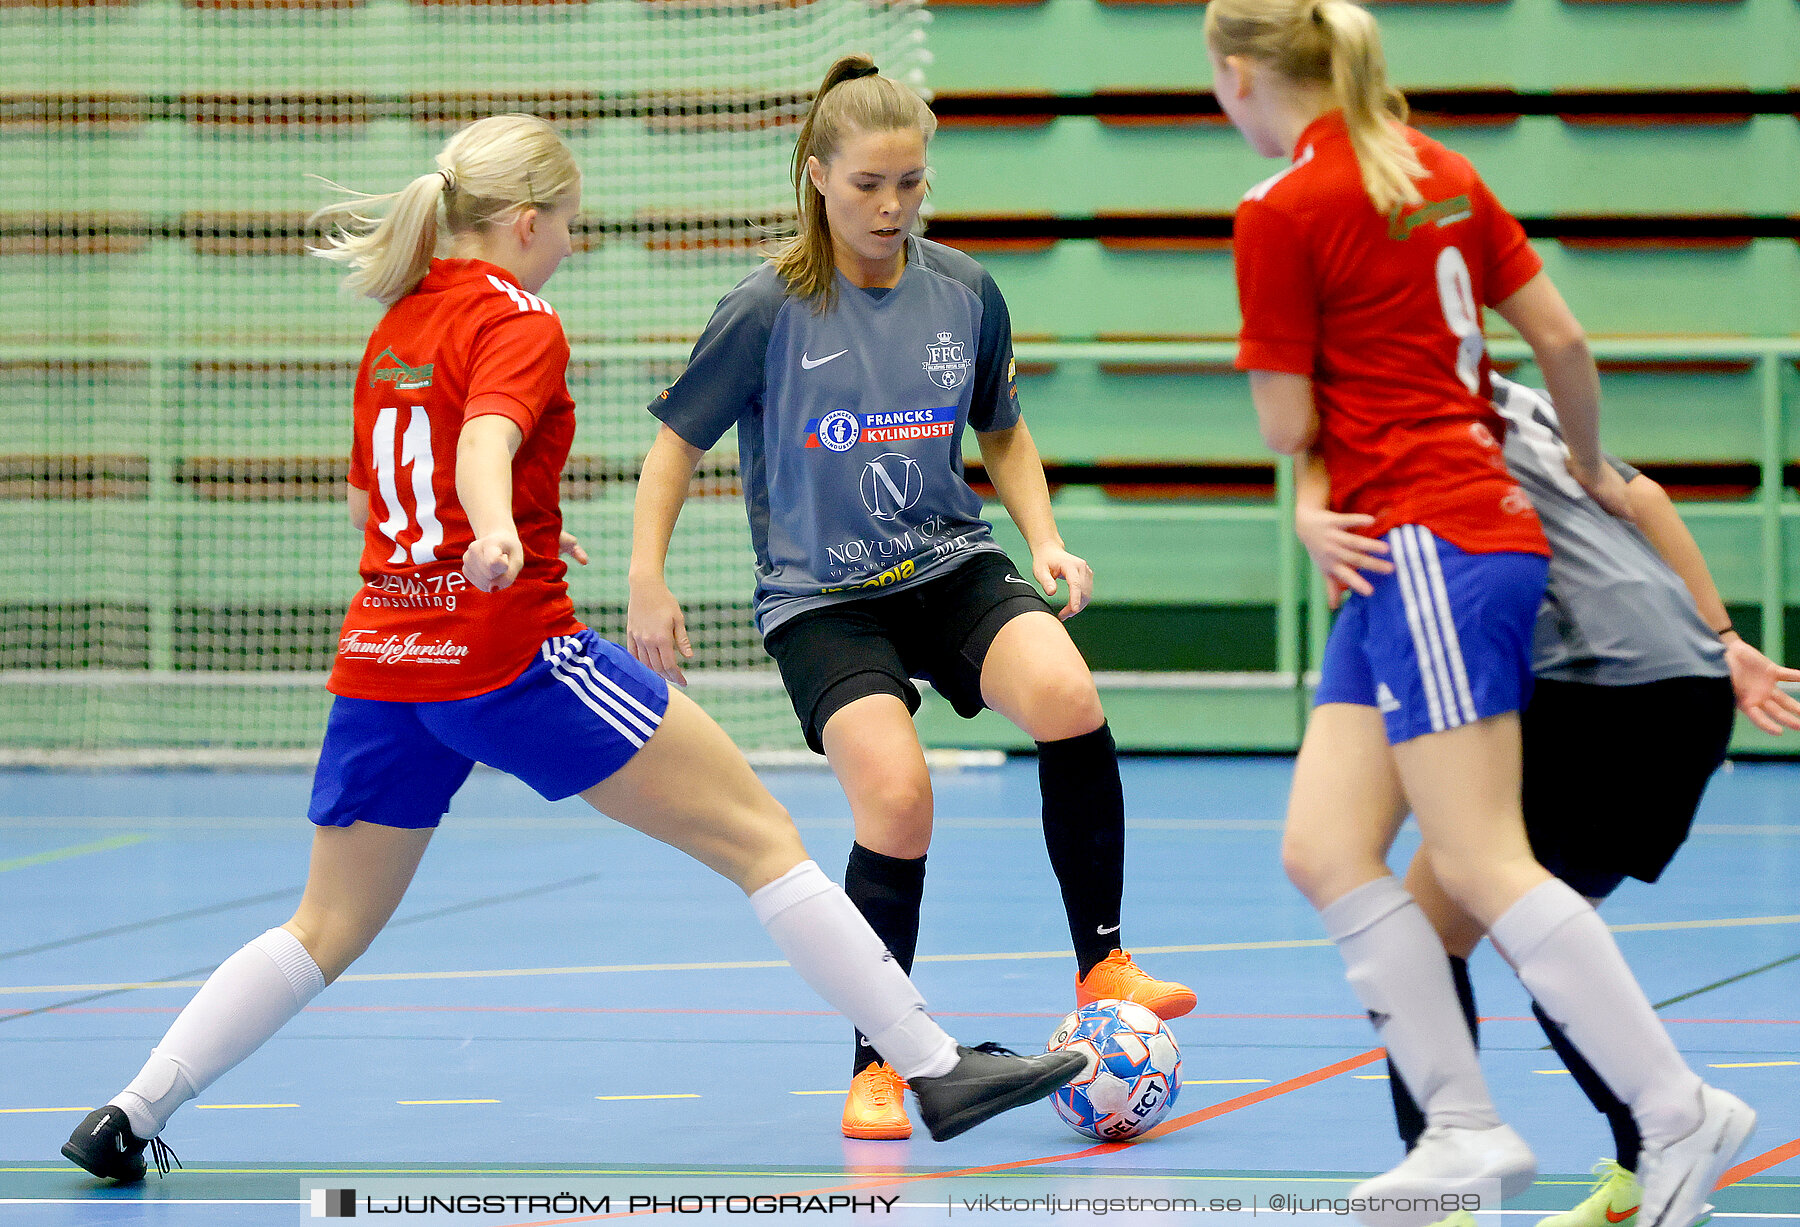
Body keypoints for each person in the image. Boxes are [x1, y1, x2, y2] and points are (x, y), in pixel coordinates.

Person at [59, 113, 1085, 1185]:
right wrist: (501, 529)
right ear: (527, 222)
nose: (571, 246)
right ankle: (931, 1066)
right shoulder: (520, 318)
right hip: (507, 655)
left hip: (384, 658)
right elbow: (483, 438)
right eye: (571, 226)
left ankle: (132, 1109)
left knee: (325, 923)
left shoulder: (397, 324)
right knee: (762, 837)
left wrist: (507, 522)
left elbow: (378, 492)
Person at [1206, 3, 1756, 1225]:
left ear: (1237, 75)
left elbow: (1289, 425)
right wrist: (1599, 466)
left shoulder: (1281, 212)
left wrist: (1308, 485)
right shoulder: (1439, 173)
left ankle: (1676, 1112)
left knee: (1480, 859)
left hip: (1437, 538)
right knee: (1324, 850)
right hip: (1392, 545)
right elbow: (1559, 338)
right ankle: (1461, 1129)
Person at [625, 56, 1195, 1142]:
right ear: (817, 177)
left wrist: (1049, 541)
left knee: (1069, 696)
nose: (892, 207)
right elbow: (674, 446)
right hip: (822, 600)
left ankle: (1105, 963)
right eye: (870, 185)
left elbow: (1004, 428)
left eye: (912, 185)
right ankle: (880, 1063)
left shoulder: (964, 290)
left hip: (947, 565)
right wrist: (647, 581)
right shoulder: (764, 309)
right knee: (897, 798)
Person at [1299, 374, 1800, 1227]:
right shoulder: (1516, 400)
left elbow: (1321, 464)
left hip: (1597, 684)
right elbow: (1648, 498)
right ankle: (1640, 1162)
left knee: (1454, 925)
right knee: (1519, 932)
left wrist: (1312, 506)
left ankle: (1462, 1186)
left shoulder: (1401, 415)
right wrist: (1725, 639)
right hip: (1682, 683)